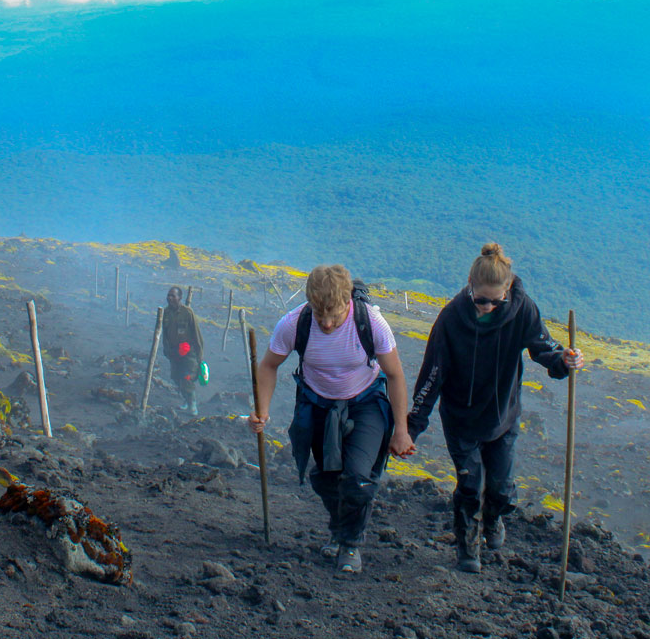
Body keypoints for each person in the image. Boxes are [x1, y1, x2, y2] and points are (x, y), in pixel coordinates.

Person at [407, 243, 584, 573]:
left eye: (495, 301)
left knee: (502, 489)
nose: (487, 307)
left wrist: (564, 359)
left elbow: (543, 349)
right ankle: (467, 544)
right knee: (470, 485)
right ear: (470, 284)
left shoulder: (522, 311)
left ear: (508, 290)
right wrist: (411, 427)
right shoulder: (450, 320)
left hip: (502, 416)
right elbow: (432, 375)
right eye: (480, 300)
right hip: (461, 420)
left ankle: (493, 518)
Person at [249, 264, 415, 574]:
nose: (326, 323)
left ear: (348, 302)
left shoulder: (371, 322)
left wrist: (401, 430)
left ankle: (350, 545)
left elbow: (394, 375)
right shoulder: (295, 323)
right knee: (326, 480)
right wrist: (262, 409)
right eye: (320, 315)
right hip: (319, 406)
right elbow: (269, 366)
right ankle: (339, 529)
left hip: (366, 403)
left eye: (334, 316)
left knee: (357, 478)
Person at [161, 285, 204, 416]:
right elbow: (165, 333)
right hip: (174, 352)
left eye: (173, 295)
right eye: (168, 295)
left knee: (187, 377)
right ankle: (186, 400)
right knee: (175, 377)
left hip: (188, 353)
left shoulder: (187, 313)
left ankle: (192, 405)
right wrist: (167, 350)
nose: (170, 298)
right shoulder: (165, 313)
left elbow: (197, 335)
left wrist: (199, 357)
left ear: (180, 298)